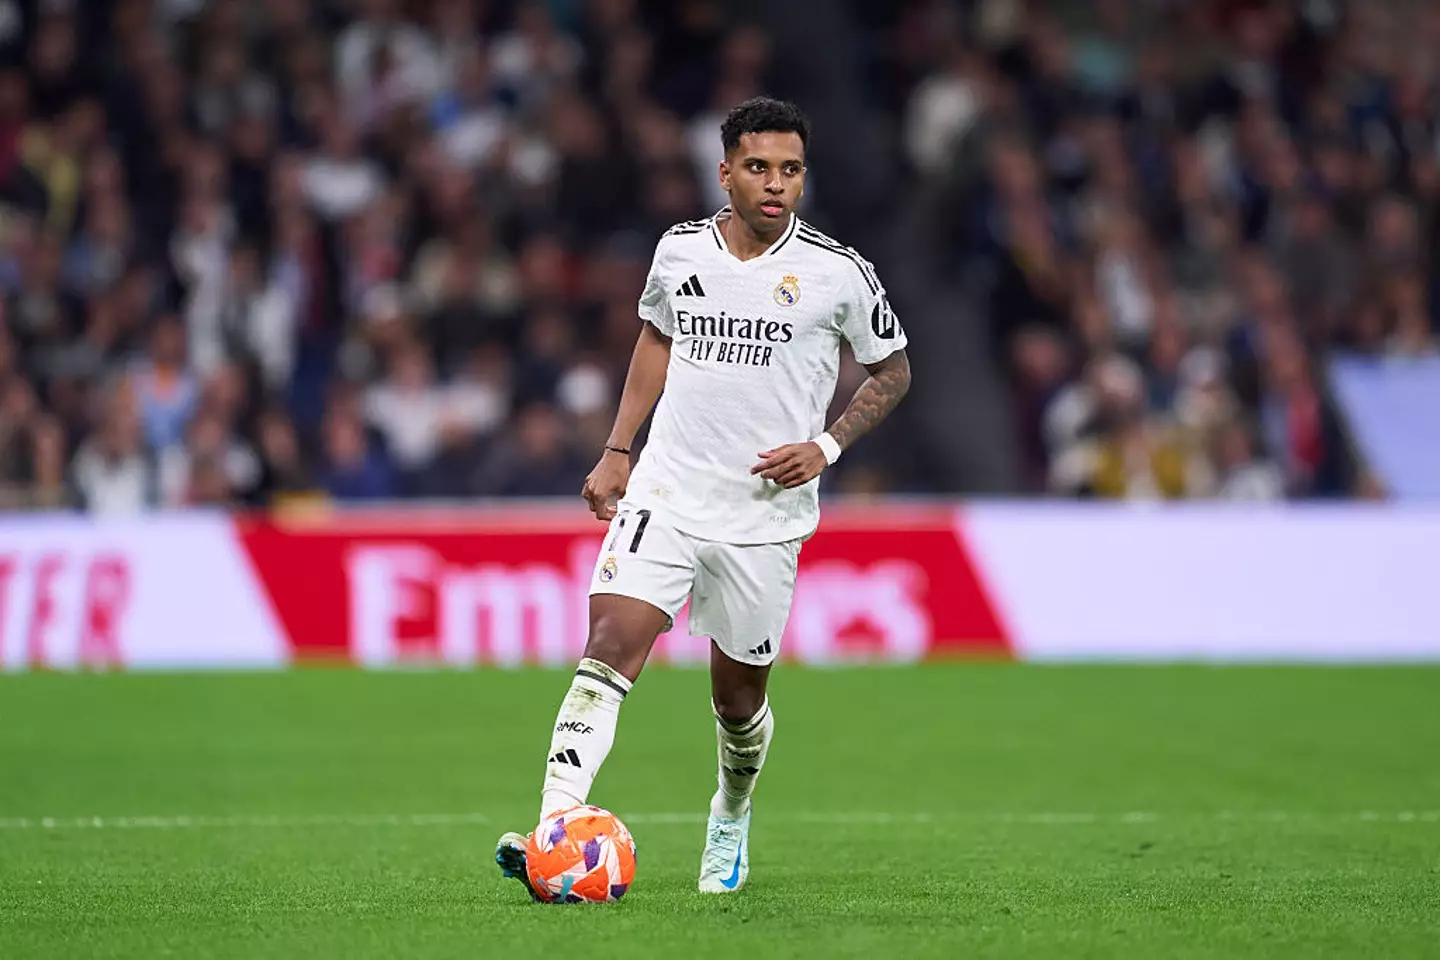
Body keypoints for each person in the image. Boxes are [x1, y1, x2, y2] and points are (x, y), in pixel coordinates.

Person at [495, 97, 911, 897]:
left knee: (738, 703)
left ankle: (731, 810)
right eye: (758, 167)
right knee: (608, 647)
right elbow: (657, 336)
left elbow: (892, 368)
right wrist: (619, 449)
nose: (775, 184)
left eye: (790, 170)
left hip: (762, 519)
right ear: (725, 173)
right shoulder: (679, 250)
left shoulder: (838, 272)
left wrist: (824, 446)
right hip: (669, 492)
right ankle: (552, 828)